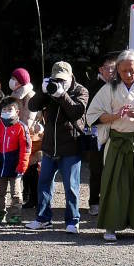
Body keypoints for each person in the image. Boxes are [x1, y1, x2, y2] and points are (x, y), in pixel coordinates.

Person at [85, 49, 134, 242]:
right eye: (124, 71)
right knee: (113, 184)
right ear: (117, 71)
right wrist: (115, 115)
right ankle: (111, 227)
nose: (129, 74)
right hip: (118, 142)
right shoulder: (109, 89)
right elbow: (92, 115)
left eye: (132, 70)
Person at [25, 61, 90, 234]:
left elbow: (77, 112)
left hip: (70, 147)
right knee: (44, 183)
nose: (59, 83)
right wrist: (43, 92)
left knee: (71, 187)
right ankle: (43, 219)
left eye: (63, 79)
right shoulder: (50, 88)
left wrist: (62, 95)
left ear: (70, 76)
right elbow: (32, 106)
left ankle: (72, 220)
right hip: (48, 147)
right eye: (56, 79)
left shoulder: (80, 91)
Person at [6, 67, 43, 212]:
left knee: (31, 168)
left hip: (29, 137)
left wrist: (18, 129)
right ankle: (28, 196)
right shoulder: (16, 94)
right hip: (19, 134)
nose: (12, 81)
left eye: (15, 79)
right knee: (25, 169)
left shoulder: (29, 96)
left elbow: (29, 118)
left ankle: (33, 197)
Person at [87, 55, 118, 215]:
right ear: (101, 69)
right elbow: (89, 113)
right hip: (97, 131)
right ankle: (94, 201)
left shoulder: (118, 86)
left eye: (114, 68)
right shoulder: (93, 86)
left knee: (113, 167)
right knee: (96, 168)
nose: (111, 71)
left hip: (116, 131)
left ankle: (110, 201)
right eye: (108, 68)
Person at [0, 99, 31, 225]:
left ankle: (15, 215)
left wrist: (22, 166)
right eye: (4, 110)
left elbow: (26, 148)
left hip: (16, 166)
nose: (7, 112)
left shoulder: (21, 127)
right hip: (0, 166)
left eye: (10, 110)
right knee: (0, 192)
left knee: (16, 193)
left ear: (17, 112)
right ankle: (0, 213)